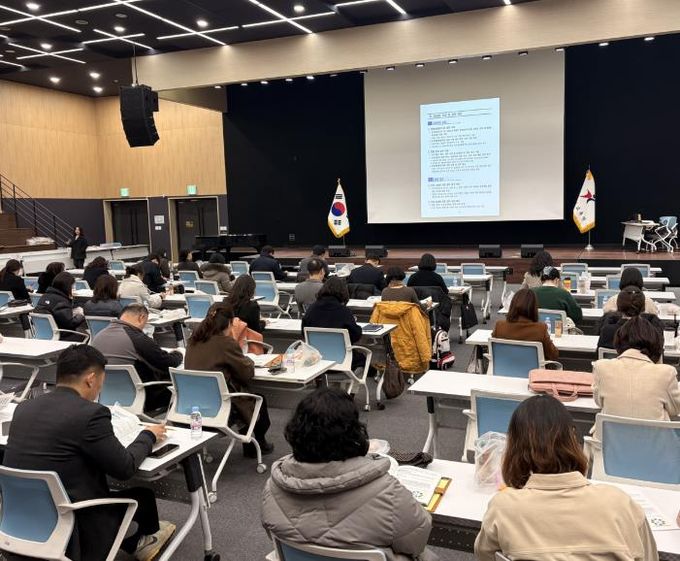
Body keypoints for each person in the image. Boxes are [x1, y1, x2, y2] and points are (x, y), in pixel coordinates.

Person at [3, 345, 175, 561]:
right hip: (71, 525)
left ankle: (133, 543)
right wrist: (148, 436)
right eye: (102, 382)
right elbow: (124, 468)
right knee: (143, 496)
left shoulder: (24, 408)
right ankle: (142, 542)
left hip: (18, 521)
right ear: (91, 379)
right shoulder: (90, 414)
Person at [474, 395, 657, 561]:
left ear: (513, 448)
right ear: (572, 440)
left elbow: (485, 556)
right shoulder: (620, 504)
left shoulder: (503, 508)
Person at [262, 388, 437, 561]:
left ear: (296, 432)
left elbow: (274, 533)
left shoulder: (274, 487)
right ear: (353, 432)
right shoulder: (388, 493)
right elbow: (417, 542)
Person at [185, 302, 273, 457]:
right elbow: (246, 373)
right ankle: (257, 443)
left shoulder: (193, 340)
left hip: (193, 406)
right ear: (230, 323)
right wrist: (248, 360)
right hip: (221, 406)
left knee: (242, 396)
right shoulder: (225, 343)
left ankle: (251, 445)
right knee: (256, 400)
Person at [593, 316, 680, 434]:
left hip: (609, 443)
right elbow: (675, 409)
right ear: (656, 344)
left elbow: (599, 402)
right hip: (654, 443)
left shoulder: (601, 367)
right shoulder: (666, 373)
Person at [92, 304, 183, 412]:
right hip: (142, 397)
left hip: (105, 397)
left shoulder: (98, 336)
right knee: (180, 388)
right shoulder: (137, 338)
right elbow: (167, 363)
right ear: (141, 317)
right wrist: (179, 353)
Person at [302, 277, 363, 368]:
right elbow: (355, 336)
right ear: (343, 292)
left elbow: (303, 332)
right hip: (343, 361)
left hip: (316, 361)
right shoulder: (344, 311)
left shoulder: (311, 309)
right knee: (364, 360)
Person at [492, 288, 558, 360]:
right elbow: (553, 355)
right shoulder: (540, 329)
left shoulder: (500, 326)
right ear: (534, 307)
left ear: (512, 305)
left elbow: (493, 350)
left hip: (503, 366)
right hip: (532, 367)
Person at [597, 287, 663, 350]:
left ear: (618, 307)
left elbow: (599, 355)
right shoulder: (652, 333)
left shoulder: (607, 331)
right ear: (643, 308)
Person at [35, 271, 86, 338]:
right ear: (67, 286)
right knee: (87, 335)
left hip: (43, 334)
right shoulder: (62, 301)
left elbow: (59, 315)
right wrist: (81, 315)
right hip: (61, 335)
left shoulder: (45, 296)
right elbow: (70, 323)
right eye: (73, 286)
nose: (74, 288)